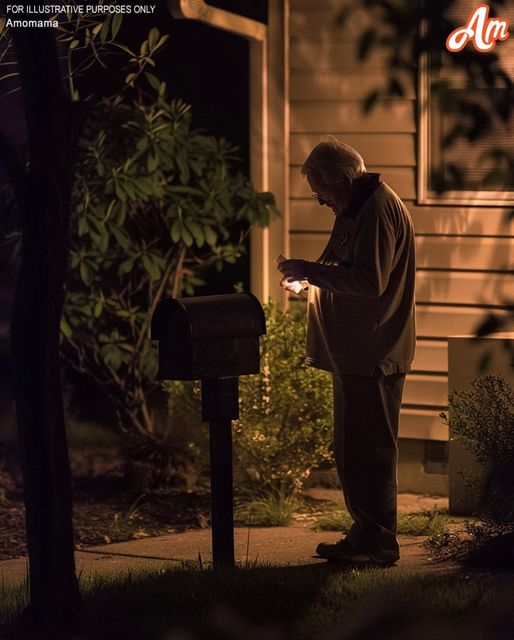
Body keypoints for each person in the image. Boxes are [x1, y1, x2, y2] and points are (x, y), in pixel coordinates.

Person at [278, 137, 416, 567]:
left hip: (371, 351)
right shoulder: (358, 206)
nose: (320, 200)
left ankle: (377, 544)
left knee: (370, 449)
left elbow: (370, 281)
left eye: (321, 191)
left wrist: (309, 271)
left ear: (341, 178)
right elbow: (349, 270)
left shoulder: (375, 211)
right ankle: (364, 534)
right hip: (356, 352)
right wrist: (310, 280)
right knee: (354, 448)